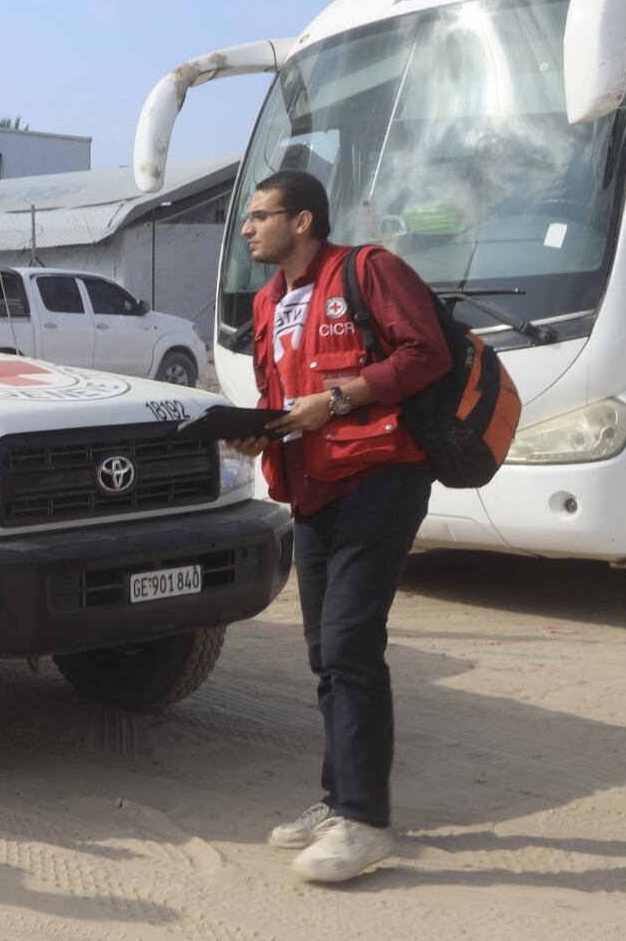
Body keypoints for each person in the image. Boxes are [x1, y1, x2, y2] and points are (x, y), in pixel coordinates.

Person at [228, 170, 452, 884]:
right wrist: (260, 430)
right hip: (311, 485)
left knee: (352, 642)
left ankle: (365, 822)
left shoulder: (369, 269)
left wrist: (339, 397)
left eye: (259, 216)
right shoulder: (269, 301)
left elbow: (426, 353)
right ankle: (338, 803)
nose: (247, 228)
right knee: (326, 650)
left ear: (303, 221)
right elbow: (281, 394)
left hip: (381, 476)